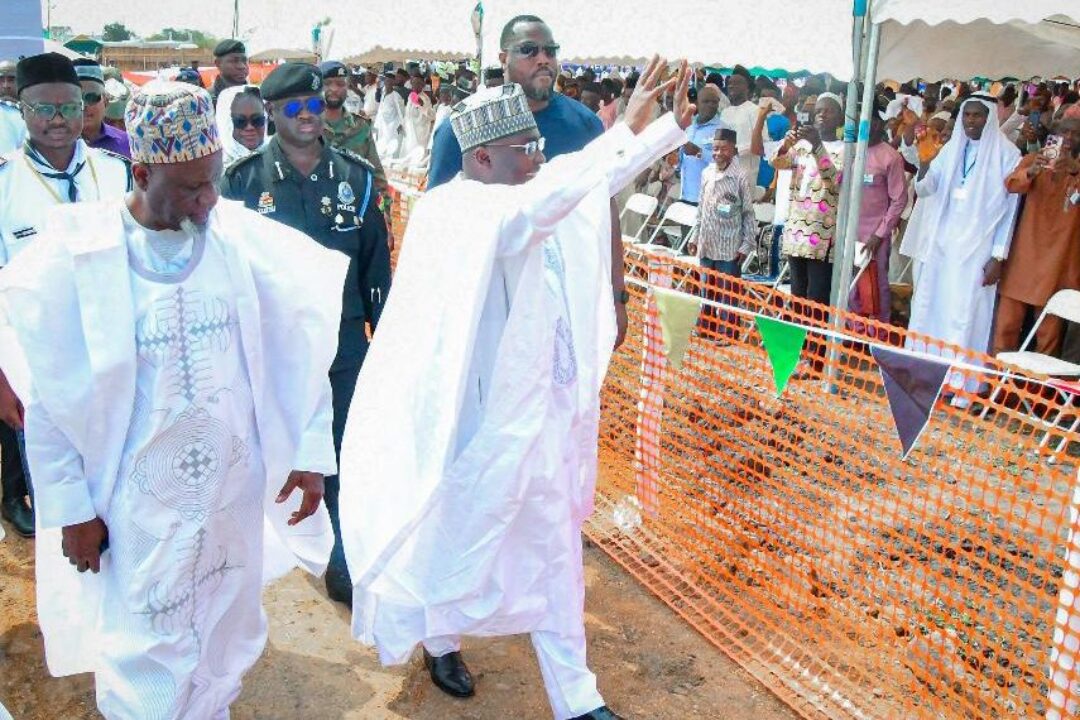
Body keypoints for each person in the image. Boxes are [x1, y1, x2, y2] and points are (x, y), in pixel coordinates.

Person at [340, 57, 694, 720]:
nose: (539, 157)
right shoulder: (462, 212)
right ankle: (440, 640)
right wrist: (625, 132)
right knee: (451, 534)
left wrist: (664, 128)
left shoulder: (522, 193)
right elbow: (556, 194)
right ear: (481, 159)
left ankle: (576, 697)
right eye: (525, 148)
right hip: (474, 423)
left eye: (537, 145)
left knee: (554, 547)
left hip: (544, 416)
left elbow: (584, 180)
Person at [0, 79, 342, 720]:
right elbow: (51, 398)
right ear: (142, 172)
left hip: (231, 490)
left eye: (212, 181)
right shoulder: (78, 260)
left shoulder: (239, 240)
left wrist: (308, 452)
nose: (208, 199)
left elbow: (299, 344)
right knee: (146, 645)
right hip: (140, 501)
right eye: (190, 188)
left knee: (225, 627)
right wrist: (72, 509)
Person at [220, 63, 391, 605]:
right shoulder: (242, 183)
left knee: (342, 449)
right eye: (294, 107)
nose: (308, 116)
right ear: (271, 112)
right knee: (262, 450)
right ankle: (252, 555)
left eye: (315, 105)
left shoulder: (356, 178)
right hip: (268, 346)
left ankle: (342, 554)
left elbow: (375, 265)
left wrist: (383, 339)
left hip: (342, 344)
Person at [427, 15, 631, 350]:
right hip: (488, 308)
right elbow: (438, 221)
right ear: (502, 58)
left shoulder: (584, 125)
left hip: (568, 300)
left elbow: (605, 209)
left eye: (550, 50)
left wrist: (617, 294)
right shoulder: (463, 126)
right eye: (529, 50)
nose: (543, 59)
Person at [904, 96, 1021, 393]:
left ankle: (961, 385)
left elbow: (1010, 211)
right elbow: (925, 189)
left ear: (989, 118)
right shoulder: (950, 149)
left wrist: (999, 256)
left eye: (977, 115)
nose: (970, 121)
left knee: (966, 314)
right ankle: (929, 378)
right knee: (932, 308)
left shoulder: (1009, 155)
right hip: (942, 244)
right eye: (966, 115)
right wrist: (925, 162)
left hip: (978, 249)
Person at [993, 117, 1080, 355]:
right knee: (1006, 326)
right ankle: (998, 375)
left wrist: (1074, 169)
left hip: (1060, 261)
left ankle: (1039, 379)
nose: (1069, 138)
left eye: (1076, 134)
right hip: (1025, 254)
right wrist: (1031, 172)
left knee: (1048, 334)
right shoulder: (1034, 159)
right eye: (1064, 132)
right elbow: (1011, 184)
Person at [771, 92, 845, 308]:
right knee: (798, 296)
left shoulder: (846, 149)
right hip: (796, 232)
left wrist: (817, 146)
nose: (822, 115)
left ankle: (815, 333)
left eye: (829, 111)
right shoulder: (801, 147)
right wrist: (786, 144)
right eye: (819, 111)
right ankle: (799, 332)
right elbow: (777, 162)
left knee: (817, 297)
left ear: (840, 118)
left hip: (821, 236)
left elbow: (834, 180)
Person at [693, 128, 755, 337]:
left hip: (730, 247)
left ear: (733, 149)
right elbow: (700, 208)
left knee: (728, 293)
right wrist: (695, 236)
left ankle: (728, 332)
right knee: (707, 289)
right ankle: (706, 327)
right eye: (715, 149)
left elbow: (748, 214)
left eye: (723, 149)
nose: (718, 153)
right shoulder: (707, 173)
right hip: (707, 242)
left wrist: (746, 245)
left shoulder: (740, 177)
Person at [848, 106, 907, 325]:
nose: (866, 126)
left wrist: (880, 234)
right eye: (861, 121)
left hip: (875, 235)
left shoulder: (890, 157)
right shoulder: (851, 151)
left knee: (875, 284)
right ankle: (853, 329)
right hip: (849, 231)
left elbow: (899, 200)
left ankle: (879, 331)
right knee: (850, 283)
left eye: (871, 121)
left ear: (879, 124)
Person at [320, 61, 387, 194]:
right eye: (327, 83)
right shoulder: (306, 127)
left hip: (353, 201)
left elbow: (376, 174)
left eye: (340, 84)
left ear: (347, 87)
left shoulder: (361, 127)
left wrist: (384, 200)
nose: (334, 89)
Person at [72, 59, 130, 158]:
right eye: (76, 98)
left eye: (91, 97)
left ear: (105, 101)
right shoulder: (52, 146)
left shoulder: (127, 144)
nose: (83, 105)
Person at [678, 83, 723, 204]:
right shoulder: (689, 125)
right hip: (686, 194)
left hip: (708, 199)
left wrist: (699, 152)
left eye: (714, 102)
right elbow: (684, 156)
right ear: (697, 103)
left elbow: (727, 163)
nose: (711, 105)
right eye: (706, 101)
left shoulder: (724, 129)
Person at [719, 64, 761, 181]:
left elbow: (761, 143)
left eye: (737, 83)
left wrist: (737, 150)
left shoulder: (755, 110)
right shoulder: (725, 112)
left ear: (747, 88)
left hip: (746, 173)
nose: (731, 86)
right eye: (730, 83)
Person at [216, 85, 268, 166]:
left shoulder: (279, 156)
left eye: (257, 120)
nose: (250, 127)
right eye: (240, 121)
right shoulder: (215, 168)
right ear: (225, 124)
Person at [402, 72, 435, 166]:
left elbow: (432, 115)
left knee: (418, 160)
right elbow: (407, 113)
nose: (415, 85)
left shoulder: (425, 98)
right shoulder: (411, 95)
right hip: (410, 131)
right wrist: (403, 124)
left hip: (420, 133)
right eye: (414, 83)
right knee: (408, 158)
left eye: (418, 83)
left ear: (422, 85)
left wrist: (422, 105)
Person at [373, 70, 405, 162]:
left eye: (390, 81)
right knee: (381, 145)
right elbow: (380, 107)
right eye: (386, 80)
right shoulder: (383, 93)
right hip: (382, 124)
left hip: (392, 126)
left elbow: (401, 112)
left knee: (391, 146)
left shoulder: (396, 96)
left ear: (393, 82)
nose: (387, 83)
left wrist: (401, 124)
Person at [210, 39, 248, 105]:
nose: (242, 66)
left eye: (244, 61)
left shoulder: (258, 96)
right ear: (218, 63)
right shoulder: (206, 99)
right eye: (234, 61)